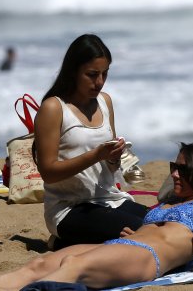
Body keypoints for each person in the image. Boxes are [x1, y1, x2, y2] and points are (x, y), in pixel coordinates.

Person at [0, 142, 193, 291]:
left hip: (149, 259)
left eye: (183, 170)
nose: (174, 174)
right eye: (174, 167)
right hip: (121, 247)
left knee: (74, 264)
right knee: (40, 263)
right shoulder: (168, 203)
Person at [35, 34, 146, 248]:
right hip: (69, 207)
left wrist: (114, 157)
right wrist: (95, 155)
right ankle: (64, 240)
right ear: (73, 71)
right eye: (92, 75)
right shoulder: (54, 108)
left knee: (163, 224)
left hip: (109, 199)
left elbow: (111, 166)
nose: (100, 82)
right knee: (142, 232)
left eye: (105, 74)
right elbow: (48, 172)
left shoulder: (104, 102)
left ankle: (75, 241)